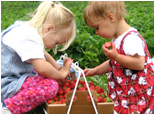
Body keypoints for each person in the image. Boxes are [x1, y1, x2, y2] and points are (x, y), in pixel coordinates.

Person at [1, 1, 76, 114]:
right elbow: (43, 68)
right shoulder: (28, 36)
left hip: (13, 77)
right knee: (51, 86)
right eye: (56, 42)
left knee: (51, 73)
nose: (54, 46)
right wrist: (61, 73)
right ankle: (8, 106)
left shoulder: (26, 29)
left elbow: (44, 55)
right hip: (7, 84)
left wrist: (58, 69)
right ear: (49, 29)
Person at [83, 1, 154, 114]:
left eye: (97, 27)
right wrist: (95, 70)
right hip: (124, 92)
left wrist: (116, 56)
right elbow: (113, 62)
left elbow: (139, 63)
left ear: (111, 18)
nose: (96, 32)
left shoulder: (131, 39)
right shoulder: (118, 38)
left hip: (135, 94)